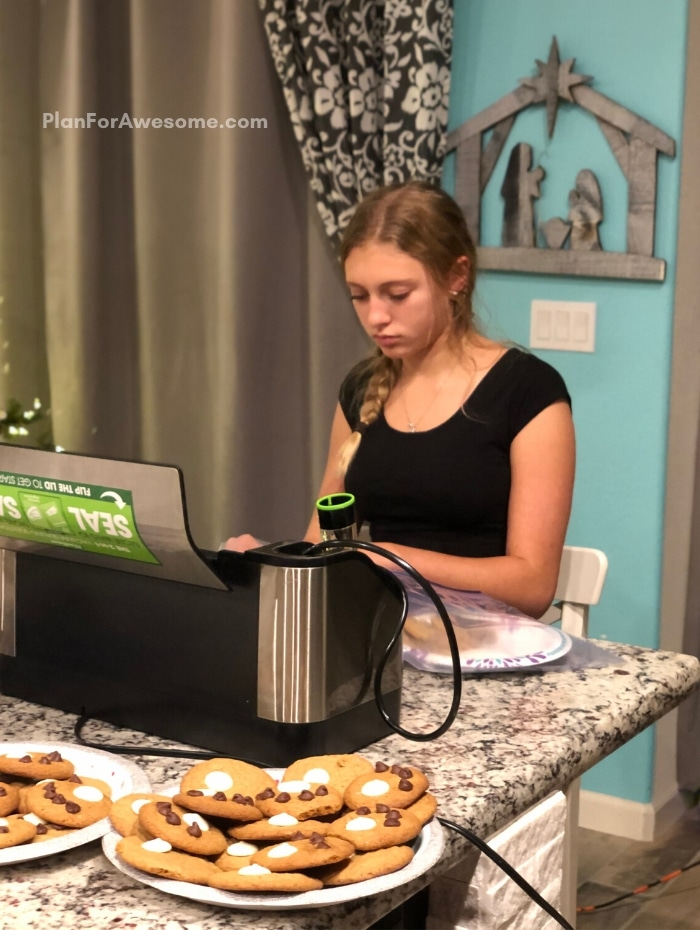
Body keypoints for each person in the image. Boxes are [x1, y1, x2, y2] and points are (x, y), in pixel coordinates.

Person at [228, 180, 575, 619]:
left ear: (456, 276)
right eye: (359, 295)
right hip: (379, 638)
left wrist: (388, 559)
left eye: (397, 295)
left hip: (487, 647)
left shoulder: (528, 392)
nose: (376, 316)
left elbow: (532, 585)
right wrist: (265, 559)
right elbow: (322, 543)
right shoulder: (359, 390)